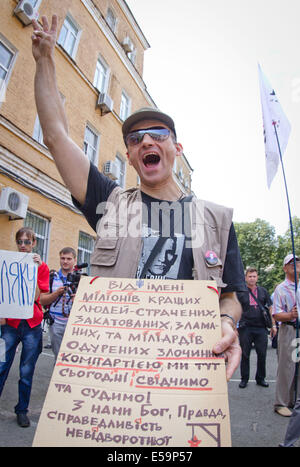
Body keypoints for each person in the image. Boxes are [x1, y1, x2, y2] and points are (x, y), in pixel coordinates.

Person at [31, 15, 247, 380]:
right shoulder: (109, 203)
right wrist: (45, 60)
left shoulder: (215, 220)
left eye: (158, 134)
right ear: (130, 156)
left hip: (184, 370)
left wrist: (227, 321)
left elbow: (232, 294)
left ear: (176, 148)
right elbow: (55, 135)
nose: (146, 141)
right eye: (135, 139)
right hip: (113, 371)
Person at [0, 227, 49, 427]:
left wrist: (35, 268)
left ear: (34, 243)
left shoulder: (42, 266)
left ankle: (22, 410)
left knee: (26, 371)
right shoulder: (7, 262)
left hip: (31, 324)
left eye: (27, 242)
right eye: (20, 241)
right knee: (1, 365)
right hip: (10, 324)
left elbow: (39, 296)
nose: (23, 246)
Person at [237, 267, 275, 389]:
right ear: (246, 277)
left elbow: (270, 307)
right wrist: (234, 327)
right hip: (245, 327)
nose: (252, 278)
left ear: (257, 277)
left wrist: (273, 325)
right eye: (250, 276)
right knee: (245, 354)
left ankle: (260, 378)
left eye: (254, 276)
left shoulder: (263, 291)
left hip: (261, 328)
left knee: (262, 354)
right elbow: (236, 309)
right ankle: (244, 379)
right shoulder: (241, 292)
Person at [273, 253, 300, 417]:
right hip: (289, 329)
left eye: (298, 261)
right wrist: (290, 315)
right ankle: (281, 403)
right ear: (284, 268)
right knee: (286, 367)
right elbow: (276, 314)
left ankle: (295, 401)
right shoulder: (281, 289)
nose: (296, 264)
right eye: (291, 262)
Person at [40, 248, 76, 361]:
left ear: (74, 260)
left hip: (74, 324)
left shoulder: (81, 279)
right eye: (63, 258)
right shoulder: (52, 277)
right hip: (55, 324)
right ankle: (58, 378)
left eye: (69, 259)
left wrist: (78, 300)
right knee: (58, 357)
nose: (65, 261)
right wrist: (56, 294)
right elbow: (42, 301)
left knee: (74, 357)